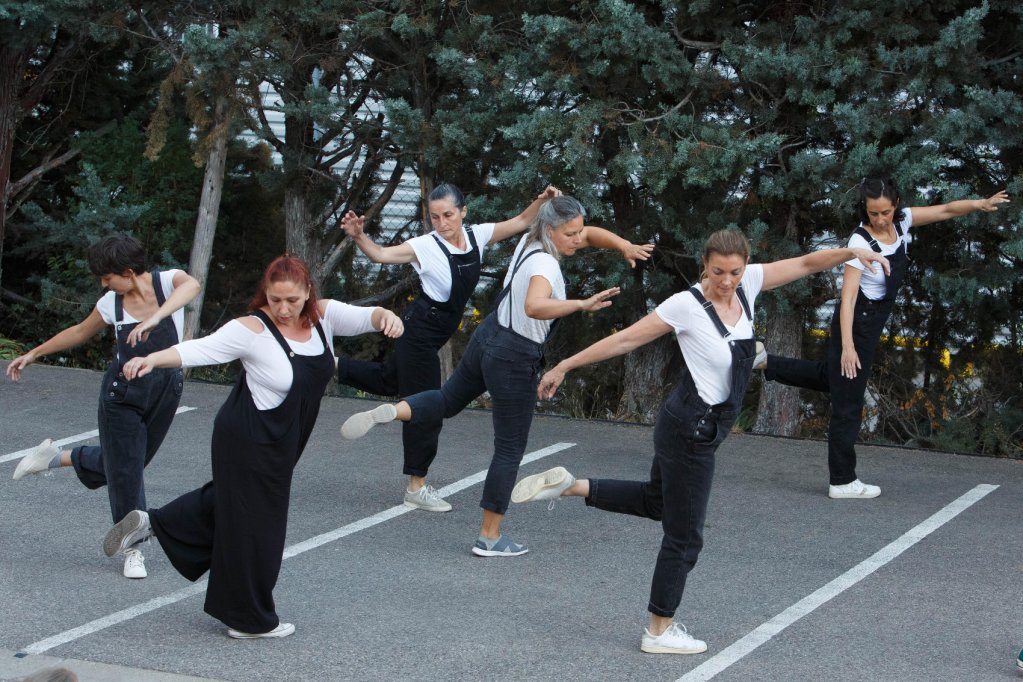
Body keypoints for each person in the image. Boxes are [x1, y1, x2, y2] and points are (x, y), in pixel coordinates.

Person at [511, 229, 890, 654]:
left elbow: (804, 263)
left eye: (734, 272)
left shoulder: (749, 284)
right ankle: (658, 630)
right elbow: (626, 338)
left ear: (744, 266)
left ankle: (569, 486)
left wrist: (851, 252)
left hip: (690, 424)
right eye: (717, 272)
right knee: (685, 537)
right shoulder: (685, 306)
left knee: (657, 501)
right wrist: (565, 365)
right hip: (690, 430)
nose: (726, 281)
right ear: (704, 266)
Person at [100, 255, 403, 639]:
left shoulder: (323, 317)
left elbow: (368, 317)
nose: (284, 308)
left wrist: (386, 317)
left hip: (283, 439)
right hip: (246, 437)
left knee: (233, 504)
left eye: (292, 300)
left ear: (308, 293)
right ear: (265, 294)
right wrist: (153, 359)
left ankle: (152, 524)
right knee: (260, 529)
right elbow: (200, 349)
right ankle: (248, 620)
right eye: (275, 299)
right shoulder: (251, 329)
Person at [340, 195, 636, 557]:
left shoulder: (531, 239)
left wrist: (623, 245)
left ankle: (396, 410)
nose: (579, 239)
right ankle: (490, 537)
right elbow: (534, 305)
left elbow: (589, 234)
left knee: (447, 400)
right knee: (509, 449)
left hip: (489, 336)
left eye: (579, 232)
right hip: (514, 356)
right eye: (571, 234)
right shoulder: (545, 265)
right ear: (550, 230)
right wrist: (581, 304)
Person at [760, 179, 1010, 499]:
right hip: (856, 324)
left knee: (833, 378)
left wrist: (980, 204)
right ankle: (842, 481)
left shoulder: (903, 222)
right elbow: (848, 298)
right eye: (873, 213)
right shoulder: (859, 242)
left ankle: (764, 361)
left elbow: (946, 210)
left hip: (871, 323)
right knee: (848, 403)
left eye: (885, 212)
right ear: (864, 210)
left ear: (895, 206)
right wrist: (848, 346)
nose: (880, 219)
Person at [5, 234, 200, 579]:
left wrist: (156, 318)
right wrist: (34, 353)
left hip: (166, 389)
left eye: (107, 277)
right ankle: (133, 548)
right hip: (122, 395)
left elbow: (193, 286)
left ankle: (56, 458)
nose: (103, 284)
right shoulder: (112, 303)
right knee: (126, 471)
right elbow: (80, 332)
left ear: (128, 272)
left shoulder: (168, 282)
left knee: (130, 462)